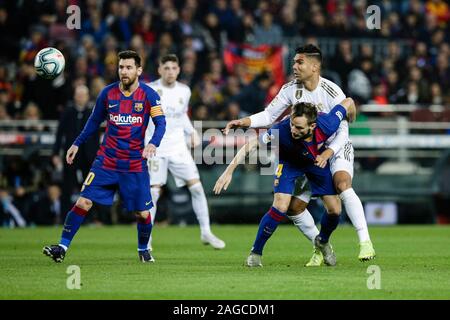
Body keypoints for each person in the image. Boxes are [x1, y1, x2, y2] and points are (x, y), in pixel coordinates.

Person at [223, 44, 375, 262]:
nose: (294, 66)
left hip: (334, 146)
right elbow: (268, 116)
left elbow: (342, 129)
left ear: (314, 66)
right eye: (294, 61)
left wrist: (327, 153)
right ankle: (319, 246)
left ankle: (365, 242)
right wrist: (244, 122)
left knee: (342, 185)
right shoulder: (290, 89)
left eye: (299, 62)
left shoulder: (331, 91)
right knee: (293, 207)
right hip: (304, 151)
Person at [43, 50, 166, 263]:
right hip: (106, 161)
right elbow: (93, 122)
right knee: (83, 202)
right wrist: (76, 144)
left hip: (134, 164)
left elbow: (161, 124)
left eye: (128, 67)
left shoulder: (149, 95)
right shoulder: (107, 94)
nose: (124, 71)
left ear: (139, 70)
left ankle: (144, 249)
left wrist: (153, 143)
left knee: (143, 214)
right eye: (121, 67)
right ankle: (61, 247)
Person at [215, 99, 356, 267]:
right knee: (280, 205)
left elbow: (348, 102)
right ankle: (255, 253)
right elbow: (251, 145)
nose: (293, 130)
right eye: (292, 124)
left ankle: (323, 242)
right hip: (289, 164)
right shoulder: (280, 130)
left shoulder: (328, 123)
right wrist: (228, 171)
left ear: (312, 126)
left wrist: (352, 116)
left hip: (315, 162)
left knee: (335, 210)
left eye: (299, 127)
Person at [145, 54, 225, 250]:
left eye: (174, 68)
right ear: (159, 70)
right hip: (155, 147)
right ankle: (146, 239)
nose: (170, 71)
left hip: (178, 146)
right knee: (154, 192)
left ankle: (206, 232)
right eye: (166, 68)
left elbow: (181, 116)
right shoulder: (150, 90)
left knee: (196, 188)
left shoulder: (185, 90)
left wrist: (191, 132)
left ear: (178, 70)